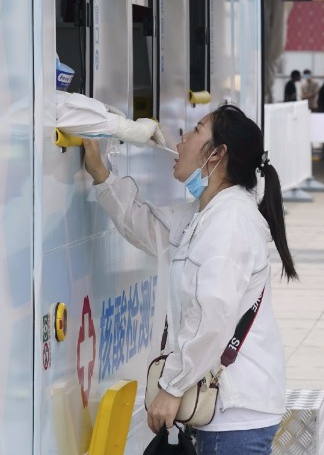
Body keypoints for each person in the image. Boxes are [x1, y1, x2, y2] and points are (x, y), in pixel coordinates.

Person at [83, 104, 297, 455]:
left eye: (196, 130)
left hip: (233, 419)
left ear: (217, 154)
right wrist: (102, 175)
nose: (181, 138)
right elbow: (148, 226)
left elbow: (211, 314)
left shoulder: (229, 222)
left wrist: (172, 387)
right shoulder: (206, 215)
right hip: (220, 414)